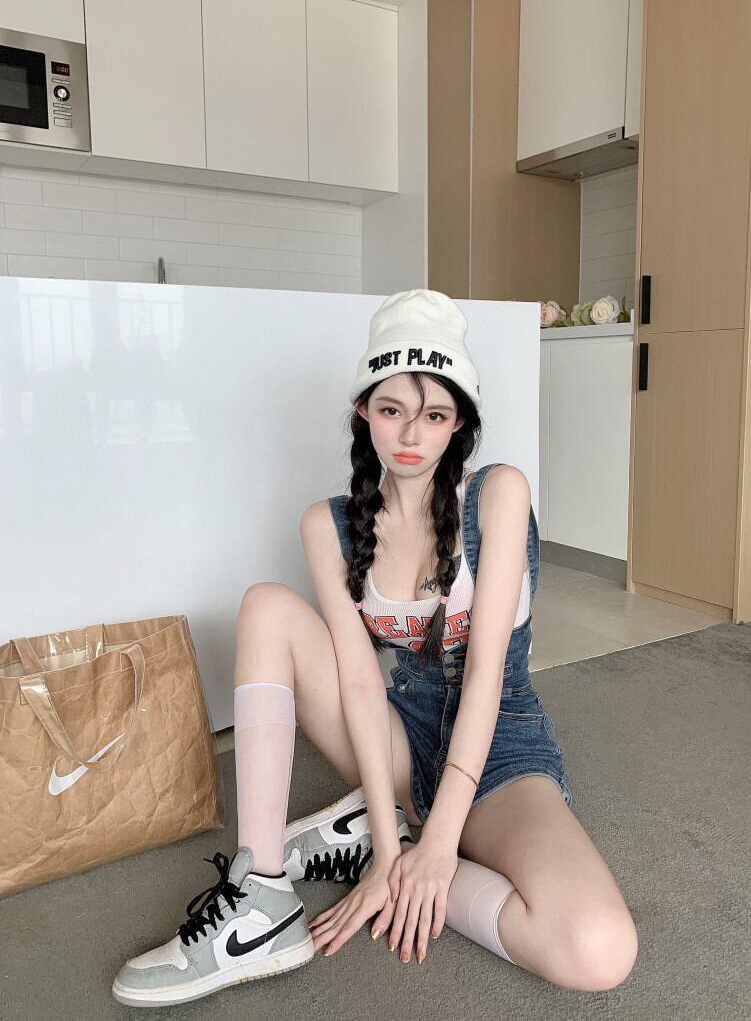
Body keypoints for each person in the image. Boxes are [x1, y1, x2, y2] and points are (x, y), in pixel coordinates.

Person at [112, 289, 638, 1007]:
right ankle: (264, 892)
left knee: (599, 949)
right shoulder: (328, 526)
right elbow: (361, 686)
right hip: (399, 741)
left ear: (460, 423)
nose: (411, 434)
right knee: (266, 606)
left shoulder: (498, 494)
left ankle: (398, 837)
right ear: (364, 410)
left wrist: (438, 848)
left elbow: (486, 677)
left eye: (435, 415)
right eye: (392, 410)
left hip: (501, 749)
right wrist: (394, 854)